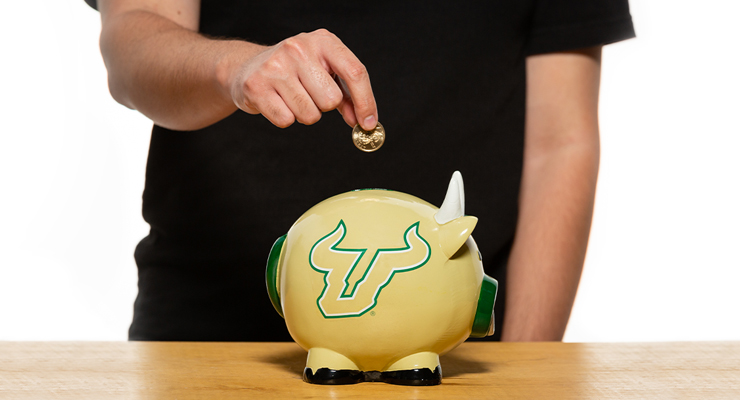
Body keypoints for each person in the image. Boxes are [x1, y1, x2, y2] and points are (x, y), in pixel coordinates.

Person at [86, 0, 635, 342]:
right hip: (205, 330)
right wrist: (231, 68)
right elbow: (133, 38)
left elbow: (561, 143)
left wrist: (525, 373)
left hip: (457, 351)